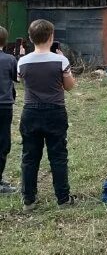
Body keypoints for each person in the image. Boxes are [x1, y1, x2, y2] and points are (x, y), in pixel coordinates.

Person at [17, 19, 76, 210]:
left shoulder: (22, 61)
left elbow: (22, 81)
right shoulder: (61, 60)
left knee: (29, 156)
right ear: (52, 37)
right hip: (55, 111)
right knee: (58, 155)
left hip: (31, 111)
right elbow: (69, 87)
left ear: (30, 38)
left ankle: (29, 200)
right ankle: (63, 198)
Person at [0, 26, 18, 195]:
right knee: (3, 143)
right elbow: (15, 78)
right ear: (5, 41)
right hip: (4, 106)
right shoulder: (9, 59)